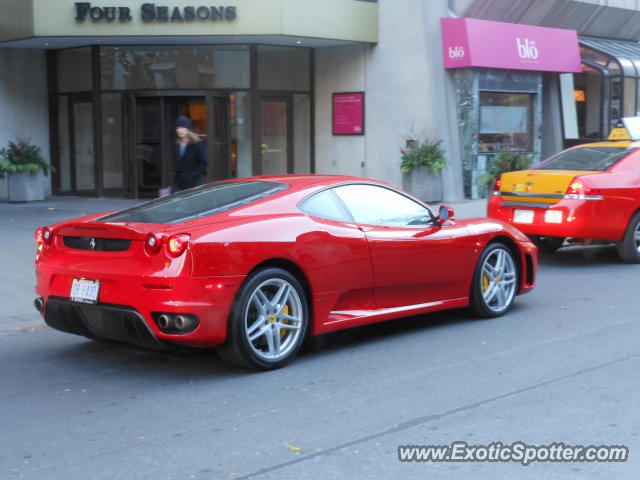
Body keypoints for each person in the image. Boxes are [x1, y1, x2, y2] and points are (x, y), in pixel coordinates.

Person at [172, 116, 208, 192]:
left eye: (183, 127)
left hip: (194, 184)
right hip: (180, 185)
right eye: (178, 128)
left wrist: (192, 176)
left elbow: (204, 162)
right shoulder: (177, 145)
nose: (180, 130)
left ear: (188, 129)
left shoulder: (198, 143)